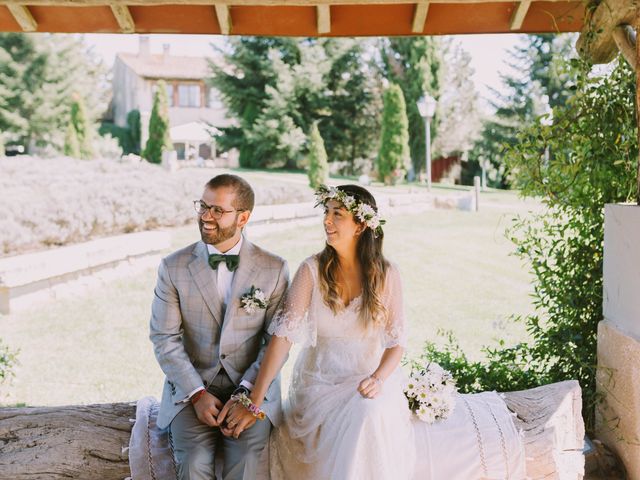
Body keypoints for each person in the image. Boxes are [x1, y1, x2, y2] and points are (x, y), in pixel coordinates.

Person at [219, 184, 416, 479]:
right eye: (326, 212)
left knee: (369, 412)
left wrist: (378, 378)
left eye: (338, 214)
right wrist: (254, 400)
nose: (327, 220)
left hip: (366, 380)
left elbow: (396, 342)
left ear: (361, 225)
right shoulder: (310, 270)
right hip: (319, 384)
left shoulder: (387, 275)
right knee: (361, 416)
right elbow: (283, 338)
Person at [149, 174, 289, 480]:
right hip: (192, 387)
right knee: (194, 462)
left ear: (244, 217)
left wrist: (248, 396)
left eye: (217, 210)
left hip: (252, 388)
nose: (205, 217)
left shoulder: (274, 269)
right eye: (202, 206)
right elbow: (164, 338)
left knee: (248, 463)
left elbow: (274, 342)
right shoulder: (173, 267)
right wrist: (196, 394)